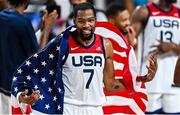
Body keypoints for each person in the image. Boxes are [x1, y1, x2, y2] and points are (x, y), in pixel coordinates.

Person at [11, 3, 130, 114]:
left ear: (95, 21)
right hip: (69, 107)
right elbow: (39, 61)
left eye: (90, 20)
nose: (86, 25)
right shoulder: (63, 43)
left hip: (95, 109)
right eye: (81, 21)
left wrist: (140, 80)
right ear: (74, 21)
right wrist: (21, 92)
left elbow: (110, 85)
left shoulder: (105, 44)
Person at [0, 0, 58, 114]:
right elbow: (37, 59)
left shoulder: (2, 17)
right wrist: (47, 29)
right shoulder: (23, 22)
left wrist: (41, 30)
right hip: (17, 91)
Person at [101, 2, 157, 114]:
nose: (128, 23)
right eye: (124, 20)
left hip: (122, 97)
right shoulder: (104, 43)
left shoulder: (128, 43)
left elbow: (129, 76)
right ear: (112, 21)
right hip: (109, 101)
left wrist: (145, 78)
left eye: (128, 19)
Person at [131, 0, 180, 113]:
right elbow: (128, 43)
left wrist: (172, 46)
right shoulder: (143, 12)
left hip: (174, 82)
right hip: (149, 82)